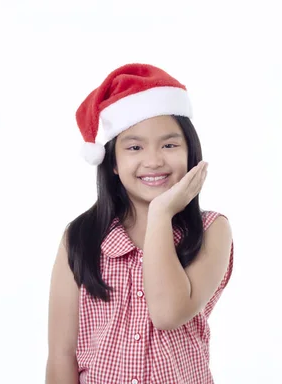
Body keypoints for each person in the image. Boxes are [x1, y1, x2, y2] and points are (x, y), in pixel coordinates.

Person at [45, 63, 234, 384]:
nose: (154, 160)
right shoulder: (81, 236)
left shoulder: (212, 230)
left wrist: (161, 214)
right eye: (134, 147)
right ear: (113, 163)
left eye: (169, 145)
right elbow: (62, 354)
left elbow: (167, 313)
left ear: (190, 153)